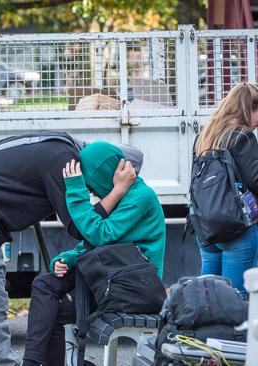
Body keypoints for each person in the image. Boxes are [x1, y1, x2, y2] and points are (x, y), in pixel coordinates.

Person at [0, 131, 120, 366]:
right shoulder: (64, 161)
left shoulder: (55, 145)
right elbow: (80, 226)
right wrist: (116, 193)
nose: (93, 193)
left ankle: (2, 363)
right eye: (95, 188)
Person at [22, 141, 167, 366]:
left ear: (105, 175)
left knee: (54, 311)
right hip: (110, 277)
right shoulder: (121, 196)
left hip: (132, 288)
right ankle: (31, 363)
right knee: (44, 284)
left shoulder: (141, 198)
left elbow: (101, 234)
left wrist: (76, 191)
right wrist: (67, 259)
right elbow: (95, 241)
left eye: (90, 184)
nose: (90, 190)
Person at [192, 82, 258, 296]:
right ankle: (233, 332)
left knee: (206, 296)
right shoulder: (242, 136)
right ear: (248, 109)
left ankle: (205, 331)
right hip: (238, 226)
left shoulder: (204, 136)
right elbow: (256, 182)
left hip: (207, 226)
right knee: (236, 298)